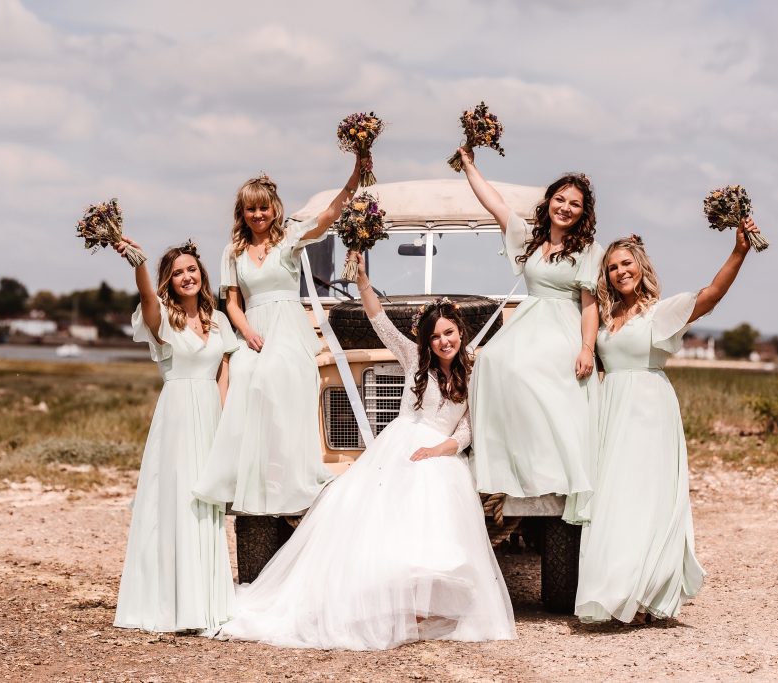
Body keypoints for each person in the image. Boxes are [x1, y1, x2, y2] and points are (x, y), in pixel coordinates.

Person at [211, 252, 516, 650]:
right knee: (372, 513)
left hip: (440, 449)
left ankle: (422, 602)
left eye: (449, 332)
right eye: (436, 335)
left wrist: (444, 447)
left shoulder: (474, 370)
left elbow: (470, 425)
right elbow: (379, 323)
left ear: (461, 331)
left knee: (438, 494)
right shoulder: (414, 358)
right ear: (427, 340)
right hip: (402, 442)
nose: (444, 341)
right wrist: (363, 282)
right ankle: (378, 597)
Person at [574, 221, 760, 624]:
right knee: (613, 499)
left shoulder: (661, 312)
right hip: (611, 408)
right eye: (612, 267)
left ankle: (642, 595)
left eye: (627, 263)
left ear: (641, 266)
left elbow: (710, 296)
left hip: (649, 409)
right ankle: (616, 589)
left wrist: (739, 252)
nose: (620, 271)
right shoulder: (604, 316)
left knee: (646, 499)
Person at [193, 158, 360, 514]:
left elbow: (330, 215)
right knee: (244, 374)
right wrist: (247, 332)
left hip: (286, 323)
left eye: (263, 207)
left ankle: (285, 471)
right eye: (250, 209)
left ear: (274, 208)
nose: (257, 214)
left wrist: (357, 172)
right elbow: (232, 301)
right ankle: (242, 472)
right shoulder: (232, 251)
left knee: (273, 374)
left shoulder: (289, 239)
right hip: (253, 325)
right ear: (243, 212)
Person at [456, 146, 603, 522]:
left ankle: (552, 465)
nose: (566, 207)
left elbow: (589, 304)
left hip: (564, 322)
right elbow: (496, 205)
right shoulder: (531, 241)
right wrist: (470, 166)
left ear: (582, 213)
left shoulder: (587, 249)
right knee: (491, 361)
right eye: (560, 199)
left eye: (575, 204)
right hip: (531, 317)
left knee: (531, 370)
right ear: (549, 202)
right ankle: (506, 463)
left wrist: (588, 348)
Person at [112, 238, 237, 632]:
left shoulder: (218, 320)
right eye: (178, 272)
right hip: (178, 416)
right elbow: (146, 295)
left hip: (210, 415)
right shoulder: (162, 316)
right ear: (169, 281)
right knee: (179, 502)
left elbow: (224, 369)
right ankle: (174, 604)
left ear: (201, 274)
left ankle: (206, 602)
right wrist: (139, 263)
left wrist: (221, 417)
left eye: (192, 270)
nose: (187, 277)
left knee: (207, 505)